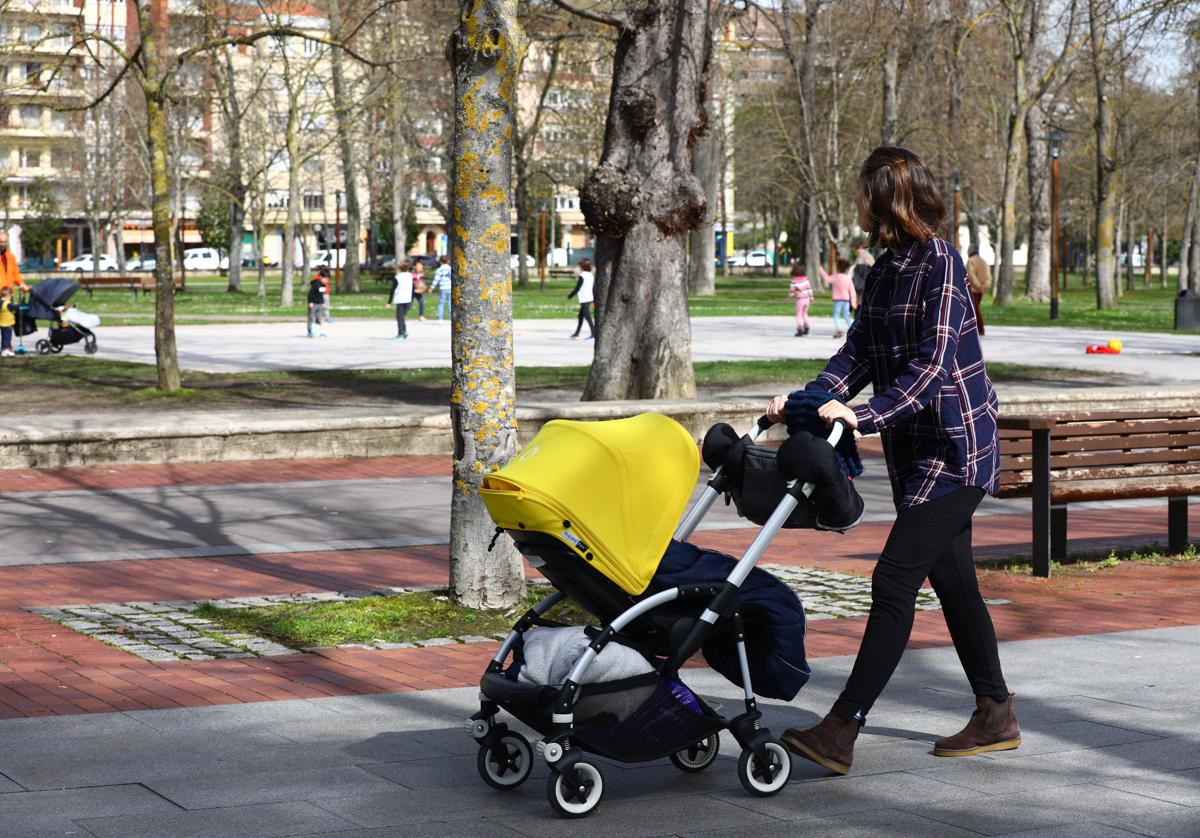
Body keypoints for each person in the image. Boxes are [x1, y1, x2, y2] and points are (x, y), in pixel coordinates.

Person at [765, 146, 1015, 776]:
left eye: (862, 192)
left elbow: (931, 366)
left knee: (893, 579)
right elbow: (858, 355)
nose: (856, 203)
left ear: (887, 197)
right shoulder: (883, 270)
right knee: (955, 583)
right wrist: (803, 402)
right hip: (918, 451)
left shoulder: (941, 262)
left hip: (959, 448)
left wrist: (864, 417)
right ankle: (995, 713)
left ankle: (841, 729)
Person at [819, 258, 857, 339]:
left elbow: (827, 279)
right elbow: (852, 291)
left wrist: (821, 270)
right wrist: (853, 301)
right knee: (846, 315)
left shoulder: (835, 277)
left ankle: (839, 329)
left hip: (837, 300)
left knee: (836, 315)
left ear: (837, 267)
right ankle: (854, 329)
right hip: (846, 300)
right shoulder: (848, 278)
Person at [568, 258, 595, 340]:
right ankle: (577, 333)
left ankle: (593, 334)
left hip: (584, 298)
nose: (579, 267)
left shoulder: (582, 276)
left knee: (588, 317)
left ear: (582, 266)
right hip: (589, 298)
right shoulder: (590, 275)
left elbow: (577, 288)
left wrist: (570, 296)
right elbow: (593, 287)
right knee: (580, 316)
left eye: (580, 265)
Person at [966, 244, 990, 336]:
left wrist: (978, 286)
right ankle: (977, 330)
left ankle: (979, 329)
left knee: (974, 310)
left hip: (973, 290)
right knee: (975, 309)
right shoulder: (984, 261)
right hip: (980, 291)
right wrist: (985, 286)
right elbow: (988, 276)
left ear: (970, 251)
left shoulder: (971, 261)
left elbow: (971, 275)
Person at [388, 261, 414, 340]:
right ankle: (404, 331)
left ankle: (401, 333)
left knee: (399, 317)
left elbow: (392, 290)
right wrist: (412, 299)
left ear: (399, 268)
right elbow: (412, 288)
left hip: (400, 299)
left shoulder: (398, 277)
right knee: (401, 316)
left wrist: (389, 302)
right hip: (408, 299)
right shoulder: (410, 276)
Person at [788, 263, 813, 337]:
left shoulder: (794, 281)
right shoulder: (806, 279)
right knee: (805, 313)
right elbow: (809, 289)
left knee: (799, 314)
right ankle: (806, 326)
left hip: (800, 300)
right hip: (807, 299)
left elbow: (792, 291)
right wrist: (811, 298)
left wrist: (790, 297)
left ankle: (800, 329)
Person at [850, 240, 875, 315]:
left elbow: (870, 266)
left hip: (862, 281)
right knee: (859, 299)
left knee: (860, 299)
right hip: (861, 280)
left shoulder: (864, 255)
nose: (855, 252)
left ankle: (858, 315)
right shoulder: (863, 255)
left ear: (858, 248)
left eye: (855, 250)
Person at [430, 255, 453, 321]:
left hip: (443, 288)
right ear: (448, 261)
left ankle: (440, 318)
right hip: (450, 287)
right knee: (450, 302)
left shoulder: (439, 270)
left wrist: (432, 287)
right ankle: (450, 317)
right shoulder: (450, 269)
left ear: (440, 261)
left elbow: (436, 279)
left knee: (441, 303)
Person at [0, 286, 15, 357]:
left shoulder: (0, 302)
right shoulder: (8, 303)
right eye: (10, 296)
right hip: (7, 323)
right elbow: (15, 308)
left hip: (2, 323)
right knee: (7, 337)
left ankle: (4, 348)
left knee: (4, 337)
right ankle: (4, 350)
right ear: (7, 295)